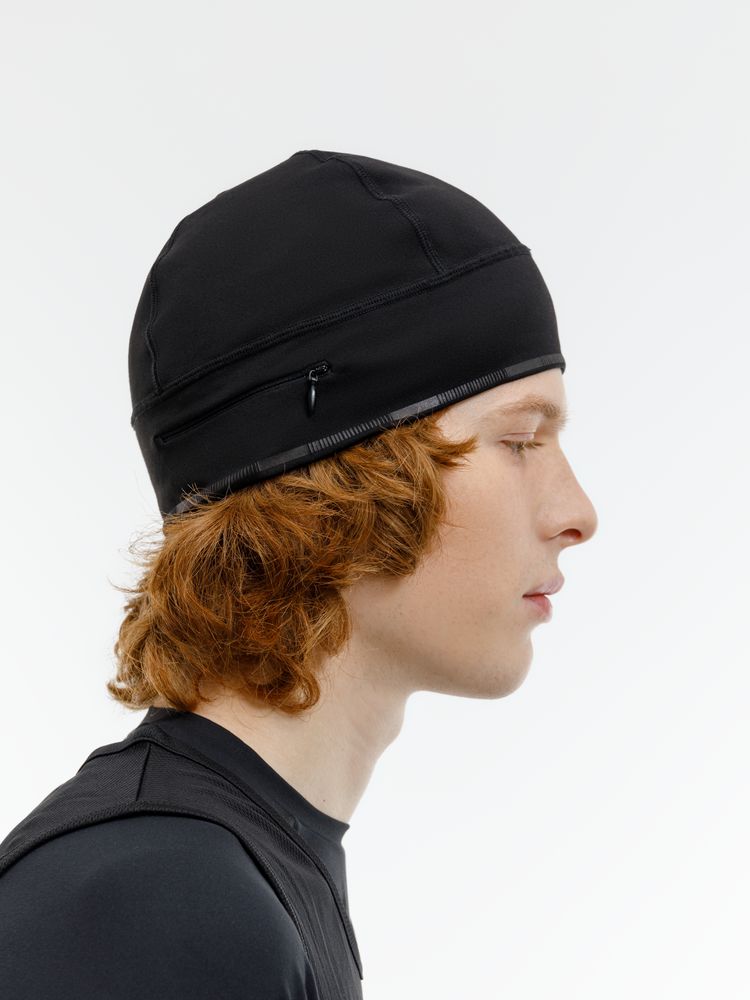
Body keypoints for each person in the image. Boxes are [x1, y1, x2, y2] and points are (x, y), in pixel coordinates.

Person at [0, 148, 597, 999]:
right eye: (521, 441)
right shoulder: (152, 901)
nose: (578, 513)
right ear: (341, 481)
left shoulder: (230, 868)